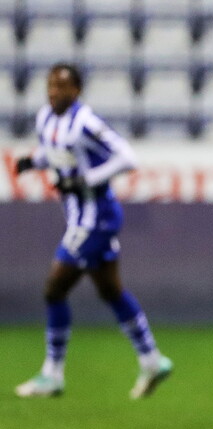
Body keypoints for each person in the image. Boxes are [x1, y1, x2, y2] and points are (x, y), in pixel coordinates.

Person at [12, 63, 173, 399]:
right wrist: (34, 161)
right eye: (51, 86)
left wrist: (87, 179)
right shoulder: (45, 118)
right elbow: (57, 154)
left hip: (95, 217)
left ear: (77, 91)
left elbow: (127, 157)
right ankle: (152, 359)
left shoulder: (86, 122)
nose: (54, 92)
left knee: (54, 289)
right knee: (110, 291)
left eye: (62, 87)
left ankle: (52, 373)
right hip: (78, 216)